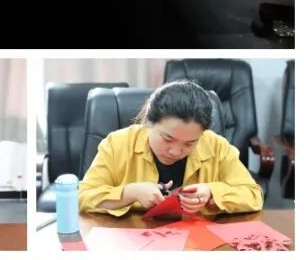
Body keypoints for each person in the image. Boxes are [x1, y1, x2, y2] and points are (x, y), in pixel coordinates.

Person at [79, 80, 262, 216]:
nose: (175, 151)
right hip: (130, 238)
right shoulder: (117, 143)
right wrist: (129, 193)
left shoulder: (216, 146)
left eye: (190, 143)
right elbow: (83, 197)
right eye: (167, 138)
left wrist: (211, 192)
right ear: (149, 122)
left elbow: (253, 195)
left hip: (195, 240)